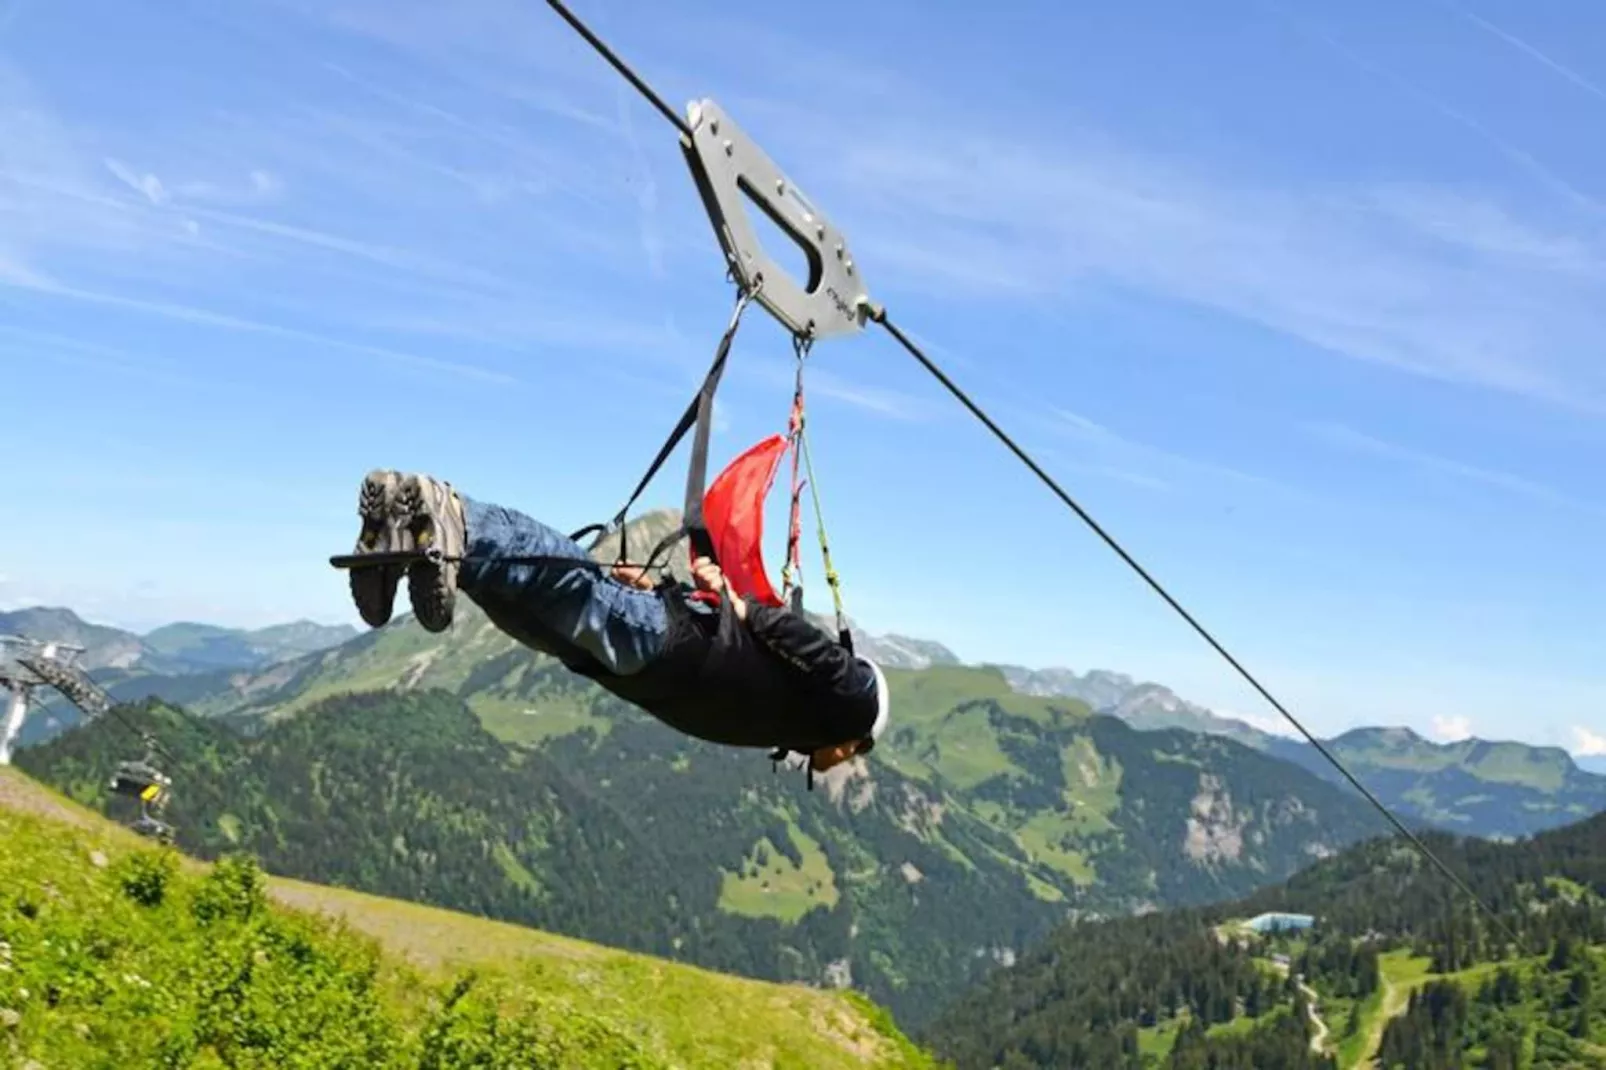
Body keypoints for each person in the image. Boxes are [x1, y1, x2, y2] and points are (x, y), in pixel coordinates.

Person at [346, 470, 889, 775]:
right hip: (674, 650)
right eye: (852, 757)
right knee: (567, 583)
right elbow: (809, 646)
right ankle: (457, 515)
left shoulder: (797, 723)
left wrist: (661, 590)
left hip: (652, 667)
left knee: (524, 613)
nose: (841, 766)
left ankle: (413, 536)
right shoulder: (856, 702)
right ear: (854, 742)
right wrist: (736, 602)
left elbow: (761, 665)